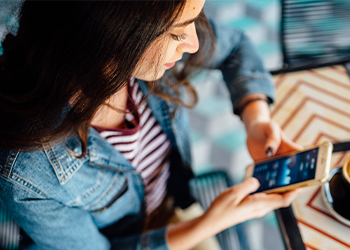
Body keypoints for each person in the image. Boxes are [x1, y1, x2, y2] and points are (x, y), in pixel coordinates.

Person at [0, 0, 302, 249]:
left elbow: (235, 46)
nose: (194, 45)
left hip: (175, 210)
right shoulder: (27, 170)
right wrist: (207, 224)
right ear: (112, 33)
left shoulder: (142, 58)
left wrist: (256, 118)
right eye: (176, 33)